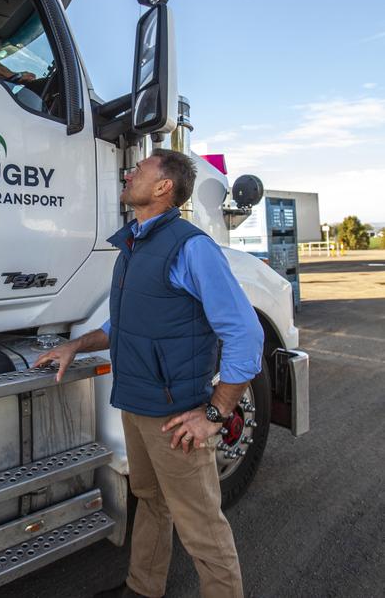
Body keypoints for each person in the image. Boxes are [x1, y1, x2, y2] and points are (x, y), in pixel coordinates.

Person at [34, 149, 264, 598]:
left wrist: (214, 414)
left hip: (176, 416)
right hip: (136, 405)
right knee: (151, 502)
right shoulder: (134, 246)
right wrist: (76, 345)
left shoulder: (192, 247)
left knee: (201, 526)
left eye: (139, 169)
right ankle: (143, 589)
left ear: (163, 187)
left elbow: (245, 334)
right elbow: (126, 324)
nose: (128, 172)